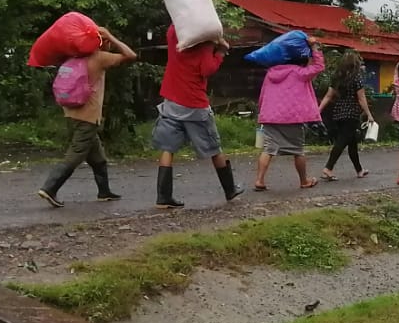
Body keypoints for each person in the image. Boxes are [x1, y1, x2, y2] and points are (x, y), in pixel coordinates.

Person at [38, 27, 137, 208]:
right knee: (75, 154)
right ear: (101, 42)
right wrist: (111, 37)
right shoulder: (99, 58)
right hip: (87, 117)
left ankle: (104, 191)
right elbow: (131, 55)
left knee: (97, 156)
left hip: (71, 113)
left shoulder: (74, 57)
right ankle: (50, 188)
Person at [151, 24, 243, 209]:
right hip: (194, 104)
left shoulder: (174, 35)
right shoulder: (203, 44)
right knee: (213, 147)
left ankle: (163, 197)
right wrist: (220, 51)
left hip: (171, 99)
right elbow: (207, 69)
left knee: (168, 148)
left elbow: (180, 20)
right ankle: (230, 190)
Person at [253, 41, 326, 191]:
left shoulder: (271, 73)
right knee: (298, 150)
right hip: (292, 118)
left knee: (268, 149)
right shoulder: (299, 73)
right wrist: (314, 48)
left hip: (270, 117)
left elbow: (263, 95)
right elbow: (319, 66)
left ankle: (259, 180)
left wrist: (262, 112)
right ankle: (304, 181)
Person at [318, 50, 374, 181]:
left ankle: (359, 170)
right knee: (342, 141)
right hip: (352, 114)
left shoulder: (337, 77)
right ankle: (328, 168)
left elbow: (328, 96)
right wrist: (369, 114)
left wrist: (318, 110)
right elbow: (361, 98)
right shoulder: (356, 78)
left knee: (352, 141)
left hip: (338, 113)